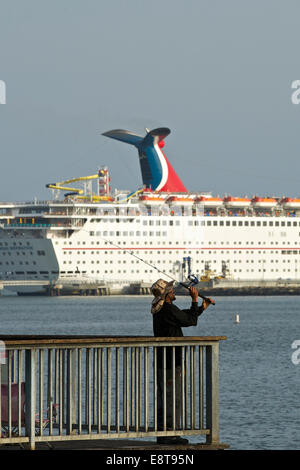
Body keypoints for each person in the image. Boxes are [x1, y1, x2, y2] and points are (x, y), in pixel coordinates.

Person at [150, 278, 213, 445]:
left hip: (161, 359)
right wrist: (194, 299)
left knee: (164, 398)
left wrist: (200, 308)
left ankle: (163, 435)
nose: (173, 292)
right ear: (167, 294)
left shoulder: (160, 308)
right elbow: (188, 321)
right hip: (171, 361)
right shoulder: (168, 309)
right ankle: (171, 436)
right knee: (173, 398)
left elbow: (183, 317)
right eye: (171, 290)